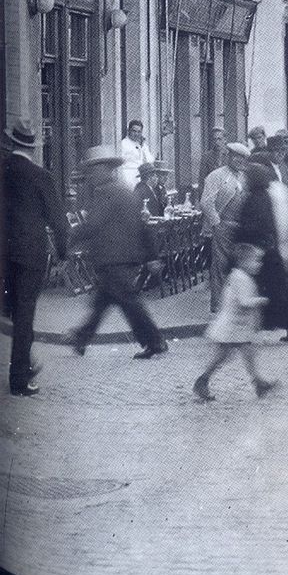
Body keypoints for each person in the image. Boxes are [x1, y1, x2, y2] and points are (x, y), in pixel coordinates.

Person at [67, 145, 167, 359]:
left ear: (106, 169)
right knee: (103, 301)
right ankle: (81, 338)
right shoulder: (122, 190)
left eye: (94, 170)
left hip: (114, 259)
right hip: (120, 258)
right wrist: (150, 256)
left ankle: (155, 341)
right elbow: (143, 225)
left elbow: (92, 225)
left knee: (130, 304)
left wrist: (69, 239)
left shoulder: (107, 193)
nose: (90, 176)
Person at [4, 121, 72, 396]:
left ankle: (25, 365)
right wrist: (63, 254)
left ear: (12, 143)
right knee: (24, 314)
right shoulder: (40, 177)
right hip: (30, 255)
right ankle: (20, 379)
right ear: (33, 147)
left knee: (8, 310)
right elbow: (59, 222)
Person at [234, 161, 288, 342]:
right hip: (266, 250)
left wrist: (240, 235)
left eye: (246, 177)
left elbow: (256, 226)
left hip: (260, 253)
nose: (243, 180)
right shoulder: (262, 196)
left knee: (278, 292)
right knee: (277, 290)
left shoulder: (256, 199)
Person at [192, 242, 275, 401]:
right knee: (222, 356)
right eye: (255, 261)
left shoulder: (239, 276)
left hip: (236, 326)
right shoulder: (241, 278)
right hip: (232, 327)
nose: (259, 264)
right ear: (244, 262)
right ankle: (202, 380)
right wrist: (260, 300)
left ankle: (258, 383)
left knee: (243, 354)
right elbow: (244, 302)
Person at [200, 142, 249, 312]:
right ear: (228, 156)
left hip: (240, 228)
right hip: (223, 225)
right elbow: (206, 202)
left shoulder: (243, 176)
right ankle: (218, 305)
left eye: (243, 158)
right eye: (236, 157)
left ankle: (233, 305)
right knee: (220, 265)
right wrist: (217, 223)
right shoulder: (217, 176)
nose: (240, 161)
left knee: (238, 267)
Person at [119, 118, 154, 187]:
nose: (136, 134)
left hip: (141, 177)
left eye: (139, 132)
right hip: (128, 177)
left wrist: (142, 147)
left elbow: (150, 160)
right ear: (129, 131)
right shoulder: (123, 144)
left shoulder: (142, 145)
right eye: (134, 131)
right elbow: (120, 162)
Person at [196, 126, 228, 201]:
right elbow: (202, 180)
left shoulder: (230, 156)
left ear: (225, 140)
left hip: (228, 197)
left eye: (219, 139)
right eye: (214, 139)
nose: (217, 142)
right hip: (211, 197)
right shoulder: (206, 157)